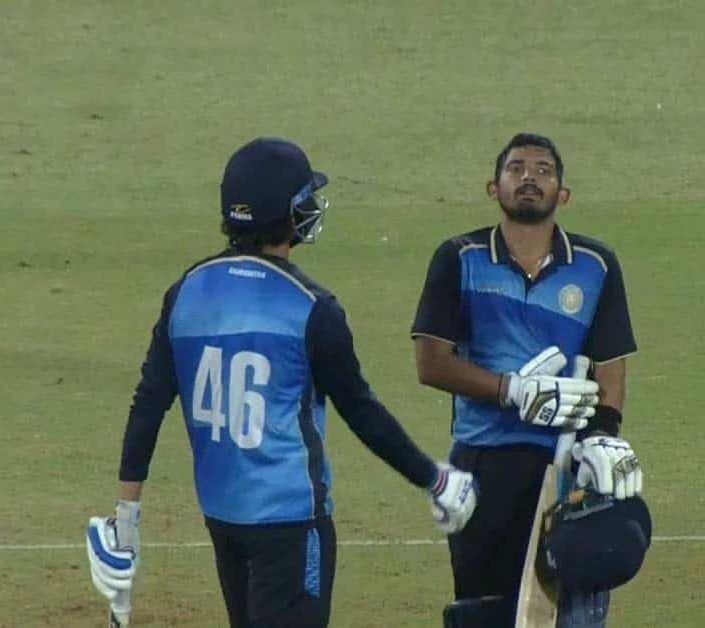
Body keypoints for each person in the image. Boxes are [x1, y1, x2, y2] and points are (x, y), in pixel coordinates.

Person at [85, 137, 478, 628]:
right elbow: (361, 411)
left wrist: (127, 516)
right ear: (289, 214)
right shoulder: (312, 308)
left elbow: (148, 405)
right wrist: (434, 479)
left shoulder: (185, 292)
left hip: (223, 519)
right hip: (292, 522)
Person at [411, 133, 645, 624]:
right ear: (493, 187)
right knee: (485, 608)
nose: (529, 177)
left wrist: (603, 435)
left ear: (564, 194)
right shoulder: (460, 258)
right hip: (482, 463)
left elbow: (610, 362)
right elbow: (431, 363)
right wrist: (512, 391)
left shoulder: (596, 265)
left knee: (570, 609)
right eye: (516, 168)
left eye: (543, 170)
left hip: (566, 465)